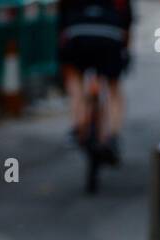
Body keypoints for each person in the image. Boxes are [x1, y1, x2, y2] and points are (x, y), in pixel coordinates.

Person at [58, 0, 132, 164]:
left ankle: (77, 125)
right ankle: (112, 136)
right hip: (110, 35)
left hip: (77, 33)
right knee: (113, 88)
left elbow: (62, 13)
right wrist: (125, 50)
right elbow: (127, 19)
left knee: (74, 78)